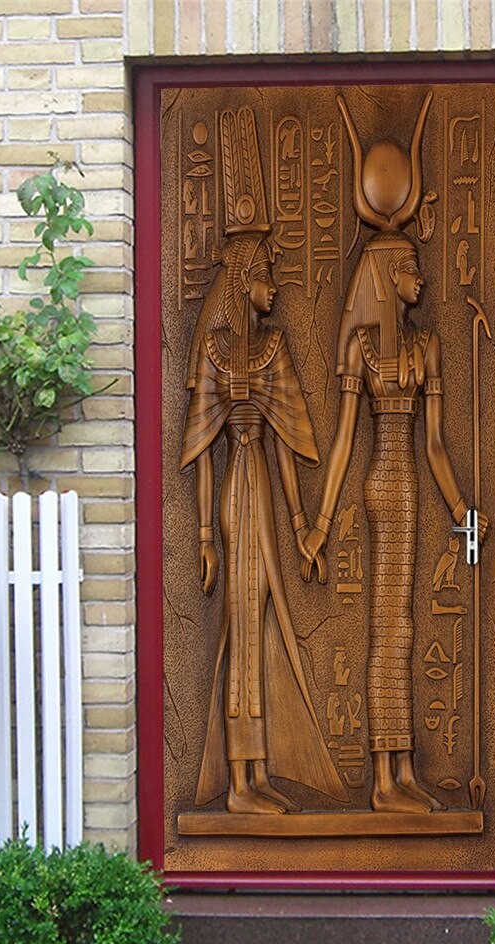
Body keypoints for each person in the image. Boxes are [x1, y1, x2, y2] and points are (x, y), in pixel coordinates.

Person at [301, 231, 487, 815]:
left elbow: (434, 445)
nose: (420, 278)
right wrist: (321, 523)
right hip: (382, 486)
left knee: (400, 628)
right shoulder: (362, 348)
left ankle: (403, 771)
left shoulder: (426, 345)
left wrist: (460, 512)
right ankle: (384, 781)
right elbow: (343, 441)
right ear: (387, 278)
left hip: (409, 485)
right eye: (409, 268)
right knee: (389, 629)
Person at [181, 230, 347, 814]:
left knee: (259, 619)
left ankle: (256, 771)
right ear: (243, 282)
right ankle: (239, 779)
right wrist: (206, 536)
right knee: (241, 622)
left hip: (264, 497)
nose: (273, 288)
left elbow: (282, 444)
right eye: (265, 277)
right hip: (236, 494)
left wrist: (301, 526)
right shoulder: (216, 351)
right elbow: (203, 451)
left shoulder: (273, 347)